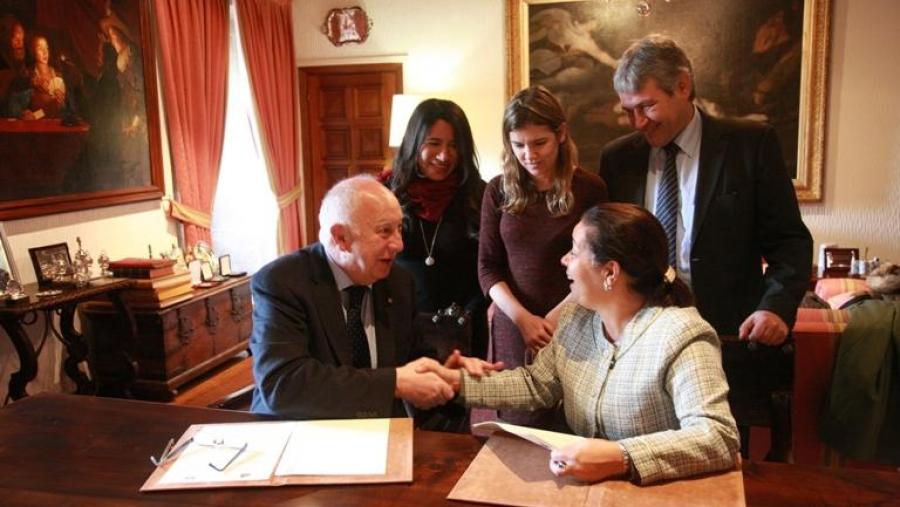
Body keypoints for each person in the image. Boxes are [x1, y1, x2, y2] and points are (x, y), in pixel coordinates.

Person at [598, 34, 812, 459]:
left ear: (682, 85)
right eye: (628, 111)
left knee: (716, 465)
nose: (637, 122)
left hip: (725, 342)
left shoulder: (751, 144)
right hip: (640, 346)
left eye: (647, 106)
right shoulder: (617, 158)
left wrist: (774, 307)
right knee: (636, 463)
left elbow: (790, 242)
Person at [425, 203, 739, 484]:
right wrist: (456, 384)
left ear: (610, 272)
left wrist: (621, 457)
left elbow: (718, 436)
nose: (564, 260)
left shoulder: (682, 335)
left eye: (574, 251)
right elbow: (537, 384)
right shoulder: (577, 319)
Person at [250, 175, 499, 420]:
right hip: (297, 434)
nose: (399, 244)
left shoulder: (397, 281)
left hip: (379, 432)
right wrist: (393, 383)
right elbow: (282, 386)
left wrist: (443, 371)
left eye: (400, 228)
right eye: (385, 231)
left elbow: (410, 354)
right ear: (341, 238)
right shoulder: (282, 282)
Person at [479, 85, 607, 426]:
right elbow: (488, 267)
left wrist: (555, 318)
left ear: (561, 134)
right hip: (514, 325)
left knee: (572, 425)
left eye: (539, 143)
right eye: (518, 145)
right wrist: (522, 318)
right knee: (518, 426)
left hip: (573, 319)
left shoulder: (590, 189)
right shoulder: (497, 190)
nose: (529, 155)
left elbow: (599, 264)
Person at [384, 98, 488, 360]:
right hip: (398, 328)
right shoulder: (385, 194)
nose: (444, 156)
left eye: (454, 145)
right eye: (434, 144)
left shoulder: (480, 195)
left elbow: (489, 265)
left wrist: (465, 318)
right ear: (414, 142)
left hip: (462, 331)